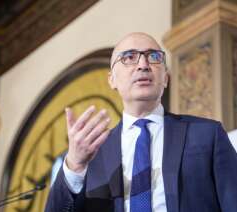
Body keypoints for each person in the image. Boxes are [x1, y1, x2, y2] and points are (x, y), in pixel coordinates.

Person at [45, 32, 237, 212]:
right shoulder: (92, 155)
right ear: (112, 80)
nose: (143, 64)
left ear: (166, 78)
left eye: (153, 57)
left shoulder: (206, 134)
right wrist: (75, 166)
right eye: (129, 57)